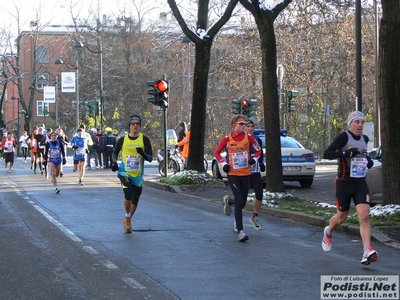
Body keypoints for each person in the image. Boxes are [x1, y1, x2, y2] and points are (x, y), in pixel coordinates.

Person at [322, 110, 377, 265]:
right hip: (344, 183)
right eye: (357, 122)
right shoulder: (344, 137)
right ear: (350, 123)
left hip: (360, 183)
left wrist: (367, 160)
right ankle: (328, 230)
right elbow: (327, 154)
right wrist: (346, 153)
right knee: (341, 217)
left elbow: (363, 155)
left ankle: (367, 250)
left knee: (364, 215)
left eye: (362, 122)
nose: (360, 125)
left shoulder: (365, 139)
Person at [214, 115, 262, 242]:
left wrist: (254, 160)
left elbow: (258, 151)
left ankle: (229, 201)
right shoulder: (227, 139)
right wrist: (224, 164)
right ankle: (241, 231)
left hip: (246, 174)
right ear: (233, 125)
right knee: (240, 201)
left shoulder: (249, 138)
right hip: (233, 174)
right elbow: (217, 153)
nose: (243, 126)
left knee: (243, 202)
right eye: (241, 123)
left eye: (245, 124)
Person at [111, 115, 153, 234]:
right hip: (125, 171)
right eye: (133, 123)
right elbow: (115, 153)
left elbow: (150, 158)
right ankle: (127, 214)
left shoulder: (144, 139)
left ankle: (128, 219)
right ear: (129, 126)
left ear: (140, 126)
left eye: (137, 124)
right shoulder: (123, 139)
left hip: (138, 174)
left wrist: (143, 154)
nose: (135, 126)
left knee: (135, 199)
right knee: (128, 194)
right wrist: (114, 162)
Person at [244, 119, 265, 230]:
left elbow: (259, 153)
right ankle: (230, 202)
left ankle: (254, 216)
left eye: (252, 126)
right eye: (248, 126)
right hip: (243, 172)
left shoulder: (257, 140)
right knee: (242, 198)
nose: (250, 128)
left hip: (255, 172)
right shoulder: (240, 139)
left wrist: (261, 163)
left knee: (259, 194)